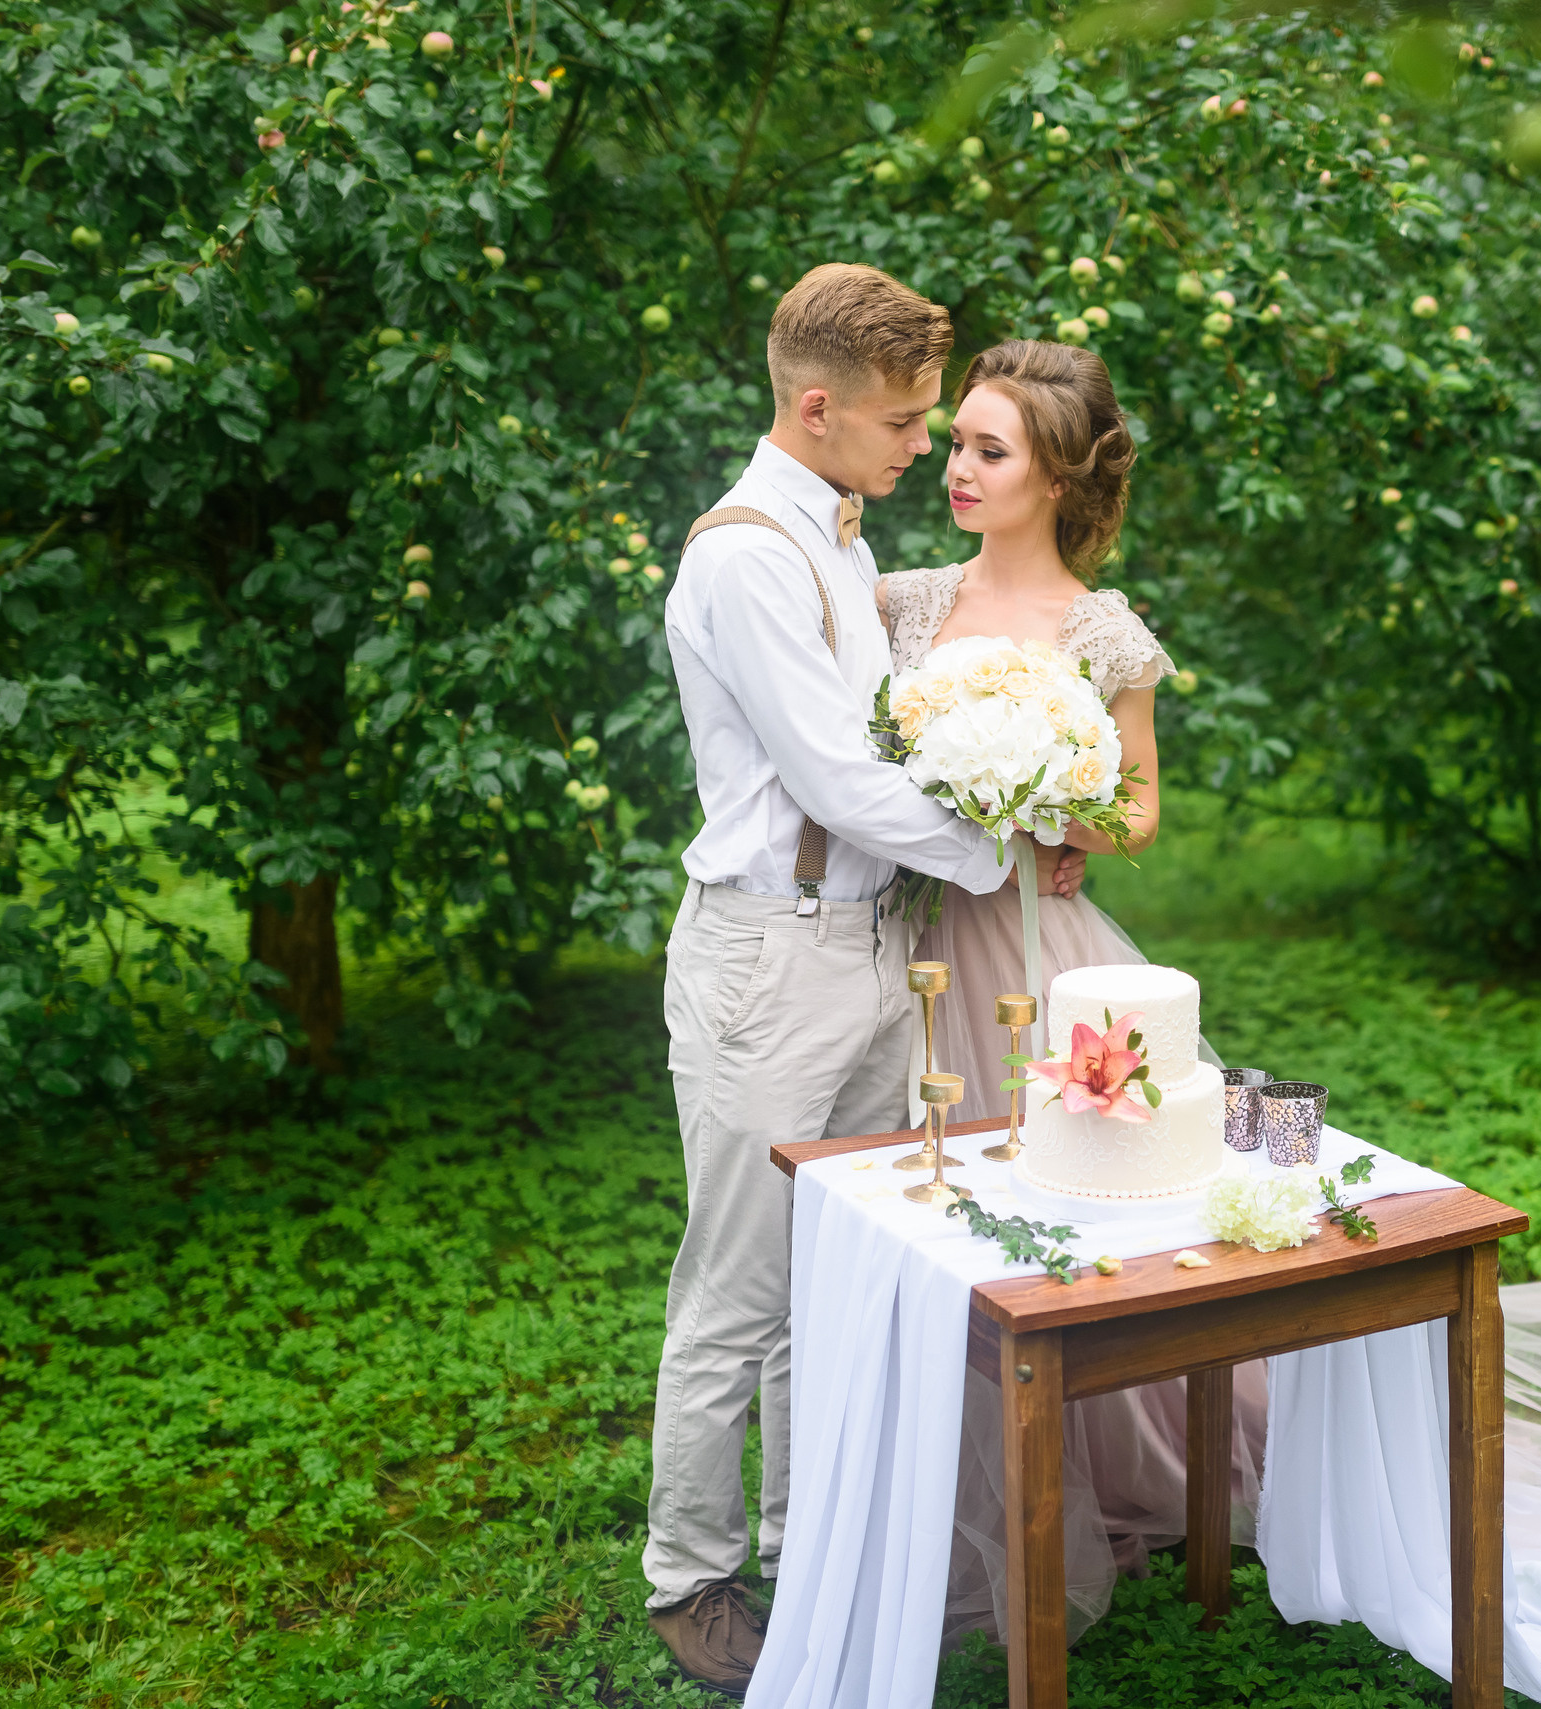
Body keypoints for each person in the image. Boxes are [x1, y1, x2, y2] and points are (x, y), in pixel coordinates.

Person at [646, 267, 1082, 1694]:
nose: (920, 446)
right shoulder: (744, 556)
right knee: (738, 1286)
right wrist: (991, 849)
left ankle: (803, 1538)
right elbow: (834, 773)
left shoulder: (837, 535)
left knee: (838, 1274)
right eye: (903, 421)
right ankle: (690, 1575)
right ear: (817, 406)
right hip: (768, 954)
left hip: (867, 947)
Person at [875, 339, 1260, 1644]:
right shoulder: (902, 601)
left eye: (990, 450)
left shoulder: (1106, 631)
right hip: (903, 943)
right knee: (922, 1210)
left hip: (1038, 954)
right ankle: (924, 1479)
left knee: (1056, 1216)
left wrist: (1060, 801)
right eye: (961, 444)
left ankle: (1091, 1465)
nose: (958, 470)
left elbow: (1142, 804)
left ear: (1050, 478)